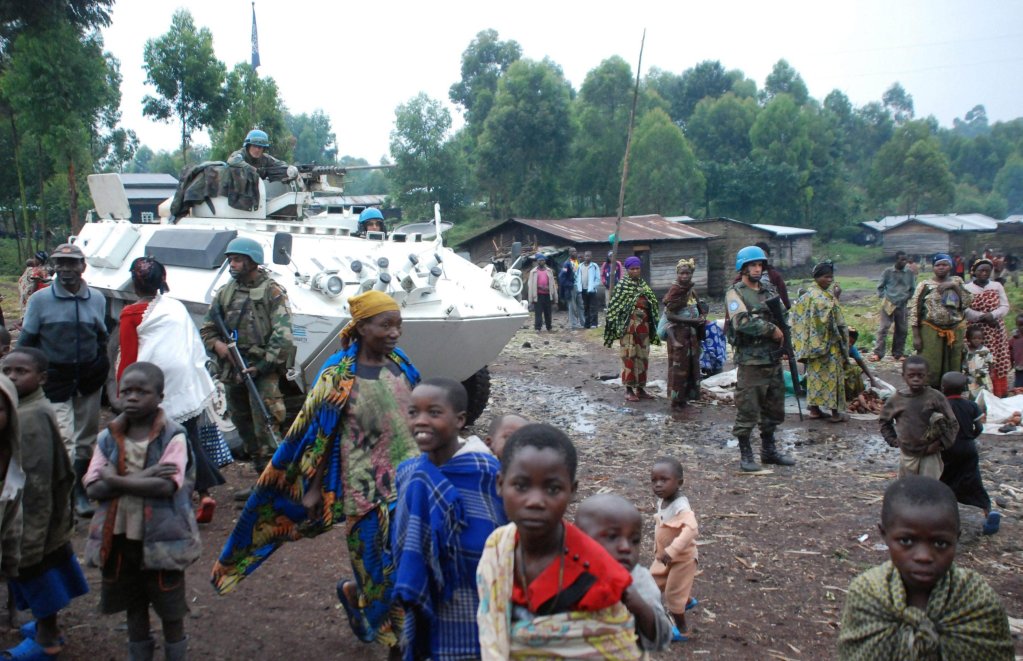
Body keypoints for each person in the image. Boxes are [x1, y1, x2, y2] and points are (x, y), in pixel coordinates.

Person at [212, 291, 419, 656]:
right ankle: (388, 634)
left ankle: (374, 615)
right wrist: (312, 488)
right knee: (375, 572)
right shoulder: (338, 376)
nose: (394, 333)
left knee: (406, 567)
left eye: (398, 325)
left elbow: (418, 412)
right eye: (385, 325)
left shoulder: (400, 363)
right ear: (361, 327)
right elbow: (318, 434)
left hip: (408, 482)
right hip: (364, 490)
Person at [476, 424, 641, 660]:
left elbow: (618, 646)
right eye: (521, 486)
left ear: (572, 492)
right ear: (500, 484)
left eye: (553, 489)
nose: (535, 501)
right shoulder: (498, 547)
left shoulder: (600, 574)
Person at [83, 362, 200, 661]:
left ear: (160, 397)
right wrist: (145, 477)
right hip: (120, 539)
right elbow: (93, 488)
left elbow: (167, 486)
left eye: (141, 392)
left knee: (171, 609)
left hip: (163, 540)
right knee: (133, 605)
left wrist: (115, 480)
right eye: (126, 391)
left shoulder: (173, 435)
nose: (132, 397)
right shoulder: (108, 437)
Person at [837, 476, 1013, 660]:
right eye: (906, 541)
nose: (924, 556)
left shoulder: (978, 602)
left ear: (956, 538)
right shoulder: (867, 596)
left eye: (940, 543)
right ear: (884, 534)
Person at [391, 378, 506, 661]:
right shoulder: (408, 473)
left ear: (460, 420)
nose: (421, 421)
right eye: (413, 412)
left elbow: (501, 529)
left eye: (434, 412)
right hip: (426, 591)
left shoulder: (486, 471)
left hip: (481, 594)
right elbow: (404, 539)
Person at [118, 257, 223, 523]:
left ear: (134, 283)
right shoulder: (175, 307)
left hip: (153, 382)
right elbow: (192, 343)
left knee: (156, 440)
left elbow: (129, 357)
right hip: (184, 380)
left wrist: (124, 389)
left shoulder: (131, 314)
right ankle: (205, 493)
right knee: (189, 437)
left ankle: (170, 496)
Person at [1, 349, 88, 660]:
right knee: (41, 572)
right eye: (7, 370)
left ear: (42, 378)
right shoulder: (23, 406)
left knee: (37, 575)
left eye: (21, 371)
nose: (12, 377)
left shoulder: (30, 418)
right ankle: (44, 628)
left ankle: (47, 639)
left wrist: (32, 533)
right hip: (38, 515)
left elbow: (36, 481)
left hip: (32, 517)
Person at [18, 242, 108, 518]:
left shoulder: (96, 298)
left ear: (83, 266)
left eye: (72, 263)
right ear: (53, 266)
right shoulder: (40, 300)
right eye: (60, 263)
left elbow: (102, 337)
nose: (66, 269)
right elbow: (26, 342)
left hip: (88, 378)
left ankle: (79, 491)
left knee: (86, 440)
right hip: (54, 379)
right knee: (63, 438)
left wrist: (103, 369)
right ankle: (66, 496)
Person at [199, 236, 293, 499]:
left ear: (253, 262)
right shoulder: (225, 292)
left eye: (238, 260)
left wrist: (262, 366)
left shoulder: (272, 292)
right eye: (231, 260)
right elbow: (207, 329)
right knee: (244, 428)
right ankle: (260, 482)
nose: (233, 264)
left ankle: (278, 486)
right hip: (234, 371)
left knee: (268, 429)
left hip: (261, 372)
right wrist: (219, 347)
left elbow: (283, 336)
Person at [724, 245, 795, 472]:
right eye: (753, 265)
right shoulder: (735, 293)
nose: (757, 269)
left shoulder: (769, 290)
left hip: (772, 358)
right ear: (743, 268)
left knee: (774, 408)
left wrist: (786, 341)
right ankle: (746, 454)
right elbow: (741, 322)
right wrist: (771, 330)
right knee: (748, 408)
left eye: (760, 265)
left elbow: (784, 315)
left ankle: (769, 451)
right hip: (751, 361)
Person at [575, 494, 673, 653]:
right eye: (612, 537)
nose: (626, 547)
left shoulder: (638, 581)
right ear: (578, 539)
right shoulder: (564, 573)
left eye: (634, 540)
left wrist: (639, 607)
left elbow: (662, 638)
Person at [939, 372, 1001, 536]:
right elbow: (979, 428)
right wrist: (969, 438)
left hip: (947, 449)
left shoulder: (941, 407)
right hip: (968, 448)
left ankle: (948, 517)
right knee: (974, 480)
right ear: (964, 388)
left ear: (943, 388)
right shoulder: (971, 405)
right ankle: (988, 510)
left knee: (945, 480)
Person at [879, 356, 958, 479]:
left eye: (920, 376)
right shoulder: (896, 399)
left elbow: (952, 423)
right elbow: (884, 421)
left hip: (930, 453)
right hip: (907, 454)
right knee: (908, 486)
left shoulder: (935, 397)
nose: (916, 379)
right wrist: (893, 440)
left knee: (928, 486)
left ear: (927, 376)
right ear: (903, 376)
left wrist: (941, 443)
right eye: (911, 376)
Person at [649, 457, 699, 642]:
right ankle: (687, 600)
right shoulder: (663, 500)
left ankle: (682, 629)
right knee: (649, 585)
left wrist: (673, 550)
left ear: (679, 483)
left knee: (673, 596)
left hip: (682, 559)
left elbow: (692, 529)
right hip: (663, 557)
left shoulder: (681, 506)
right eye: (654, 480)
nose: (658, 485)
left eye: (664, 480)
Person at [792, 261, 849, 422]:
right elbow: (831, 320)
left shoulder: (807, 295)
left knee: (814, 377)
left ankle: (814, 410)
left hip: (812, 346)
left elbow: (797, 320)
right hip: (828, 346)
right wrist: (836, 298)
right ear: (816, 277)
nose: (829, 280)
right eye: (826, 277)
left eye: (831, 277)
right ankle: (835, 413)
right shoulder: (821, 298)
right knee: (832, 378)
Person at [908, 253, 972, 389]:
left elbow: (967, 302)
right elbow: (915, 310)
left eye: (945, 265)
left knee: (954, 363)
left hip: (955, 330)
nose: (941, 268)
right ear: (933, 267)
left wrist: (953, 287)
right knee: (931, 363)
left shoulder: (957, 282)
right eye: (938, 265)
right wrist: (916, 336)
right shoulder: (925, 285)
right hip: (931, 330)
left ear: (950, 266)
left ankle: (951, 391)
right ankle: (930, 391)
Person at [605, 256, 660, 402]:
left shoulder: (643, 285)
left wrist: (647, 305)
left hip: (643, 327)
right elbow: (614, 308)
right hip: (628, 328)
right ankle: (629, 389)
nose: (635, 271)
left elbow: (653, 302)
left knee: (643, 356)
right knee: (629, 356)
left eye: (637, 268)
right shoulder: (622, 286)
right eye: (632, 269)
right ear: (627, 270)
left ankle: (640, 389)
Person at [663, 258, 706, 417]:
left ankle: (684, 400)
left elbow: (698, 307)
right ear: (677, 274)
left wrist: (701, 317)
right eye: (682, 273)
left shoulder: (691, 290)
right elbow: (669, 315)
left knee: (690, 367)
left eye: (688, 273)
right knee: (678, 369)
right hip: (679, 334)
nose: (685, 276)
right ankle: (676, 403)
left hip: (691, 334)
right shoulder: (676, 290)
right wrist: (691, 321)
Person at [963, 258, 1010, 397]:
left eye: (987, 271)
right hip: (975, 330)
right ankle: (977, 393)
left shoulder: (997, 286)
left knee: (995, 359)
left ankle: (997, 393)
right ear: (974, 272)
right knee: (976, 359)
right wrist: (982, 316)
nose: (984, 273)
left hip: (995, 329)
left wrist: (993, 315)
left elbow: (1005, 306)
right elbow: (964, 309)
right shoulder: (967, 288)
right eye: (981, 270)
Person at [871, 251, 915, 362]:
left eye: (905, 260)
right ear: (896, 260)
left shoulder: (909, 273)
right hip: (888, 303)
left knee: (902, 329)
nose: (904, 262)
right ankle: (878, 353)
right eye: (901, 260)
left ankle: (898, 353)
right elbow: (880, 287)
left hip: (902, 304)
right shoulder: (888, 272)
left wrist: (907, 297)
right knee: (883, 328)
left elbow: (912, 289)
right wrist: (884, 298)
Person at [227, 129, 297, 180]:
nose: (257, 150)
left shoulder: (265, 159)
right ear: (248, 146)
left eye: (260, 147)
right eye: (254, 146)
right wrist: (254, 170)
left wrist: (291, 170)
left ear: (264, 149)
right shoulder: (241, 154)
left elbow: (282, 165)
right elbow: (232, 161)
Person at [526, 254, 557, 333]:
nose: (541, 262)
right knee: (538, 312)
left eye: (543, 260)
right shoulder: (533, 272)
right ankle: (537, 328)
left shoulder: (549, 271)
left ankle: (549, 327)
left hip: (547, 294)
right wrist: (539, 287)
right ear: (537, 262)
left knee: (548, 312)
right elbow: (530, 284)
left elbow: (553, 283)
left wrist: (553, 294)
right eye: (540, 260)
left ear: (545, 261)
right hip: (538, 295)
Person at [962, 326, 993, 399]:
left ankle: (986, 404)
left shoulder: (985, 350)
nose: (977, 340)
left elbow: (990, 362)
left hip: (983, 376)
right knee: (972, 394)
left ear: (982, 339)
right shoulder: (965, 350)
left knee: (987, 392)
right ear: (968, 339)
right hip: (970, 376)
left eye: (979, 338)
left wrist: (991, 373)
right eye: (974, 338)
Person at [576, 250, 601, 328]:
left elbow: (597, 278)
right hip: (583, 290)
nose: (587, 257)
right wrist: (578, 287)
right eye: (586, 256)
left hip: (592, 290)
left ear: (591, 257)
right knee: (586, 307)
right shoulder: (580, 266)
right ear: (584, 257)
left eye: (589, 256)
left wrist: (593, 287)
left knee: (593, 307)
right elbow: (577, 277)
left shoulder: (594, 266)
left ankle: (594, 324)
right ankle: (587, 324)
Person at [558, 247, 582, 325]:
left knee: (581, 305)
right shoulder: (566, 264)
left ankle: (582, 322)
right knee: (572, 306)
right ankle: (573, 324)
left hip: (579, 286)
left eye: (575, 251)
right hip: (571, 287)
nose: (574, 253)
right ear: (569, 253)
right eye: (572, 251)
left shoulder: (578, 262)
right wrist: (569, 284)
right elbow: (561, 277)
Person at [1011, 312, 1023, 390]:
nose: (1022, 327)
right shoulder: (1014, 339)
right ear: (1017, 325)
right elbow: (1010, 351)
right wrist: (1011, 362)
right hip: (1019, 367)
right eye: (1020, 325)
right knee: (1019, 387)